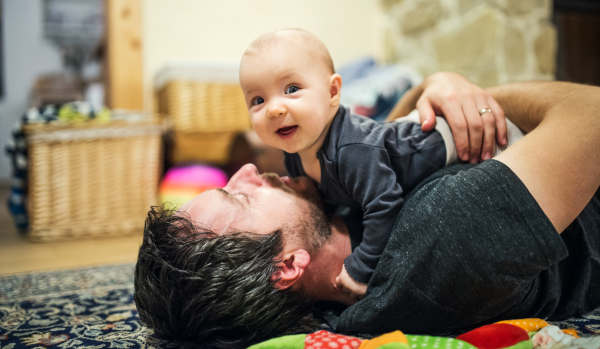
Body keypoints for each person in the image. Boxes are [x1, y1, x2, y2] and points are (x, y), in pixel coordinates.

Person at [134, 75, 600, 349]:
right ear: (287, 266)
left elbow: (378, 143)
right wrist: (483, 98)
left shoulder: (332, 243)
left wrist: (434, 85)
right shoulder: (444, 235)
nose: (248, 170)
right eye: (238, 196)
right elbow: (593, 112)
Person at [238, 29, 510, 298]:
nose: (274, 109)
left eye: (292, 89)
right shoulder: (294, 154)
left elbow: (384, 205)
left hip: (463, 137)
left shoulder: (352, 150)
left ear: (333, 92)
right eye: (258, 100)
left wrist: (361, 267)